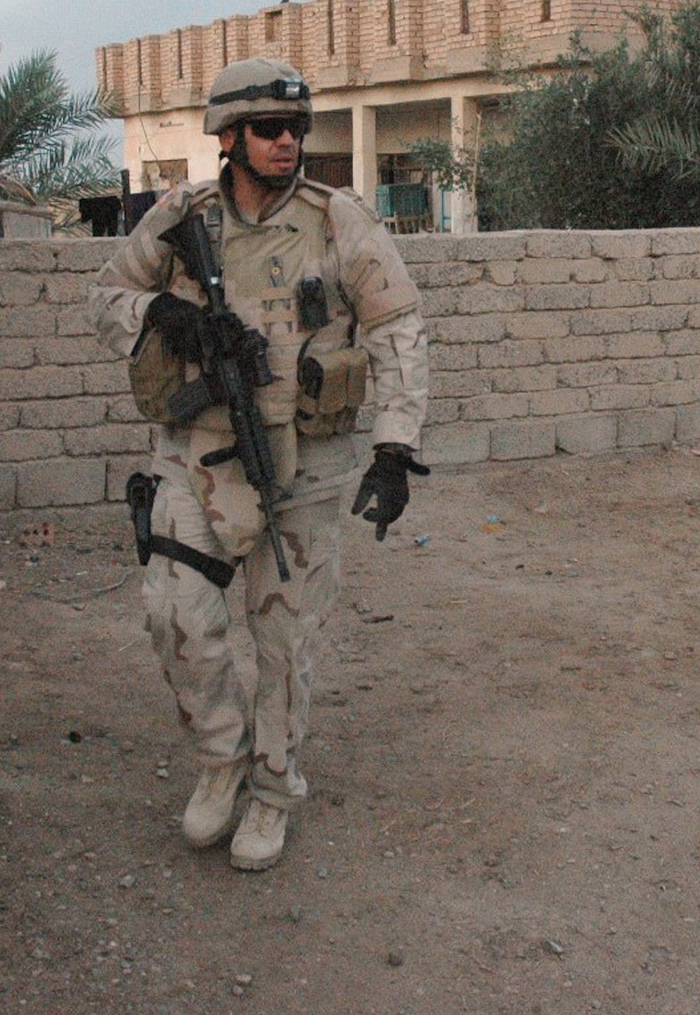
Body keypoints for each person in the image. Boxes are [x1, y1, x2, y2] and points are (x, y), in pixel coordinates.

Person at [89, 57, 430, 871]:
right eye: (270, 130)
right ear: (230, 138)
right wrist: (167, 314)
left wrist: (395, 447)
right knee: (178, 618)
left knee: (282, 641)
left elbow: (398, 330)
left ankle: (273, 790)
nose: (287, 143)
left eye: (296, 130)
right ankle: (221, 761)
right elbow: (105, 299)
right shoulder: (181, 216)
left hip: (304, 462)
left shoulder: (337, 220)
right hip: (198, 455)